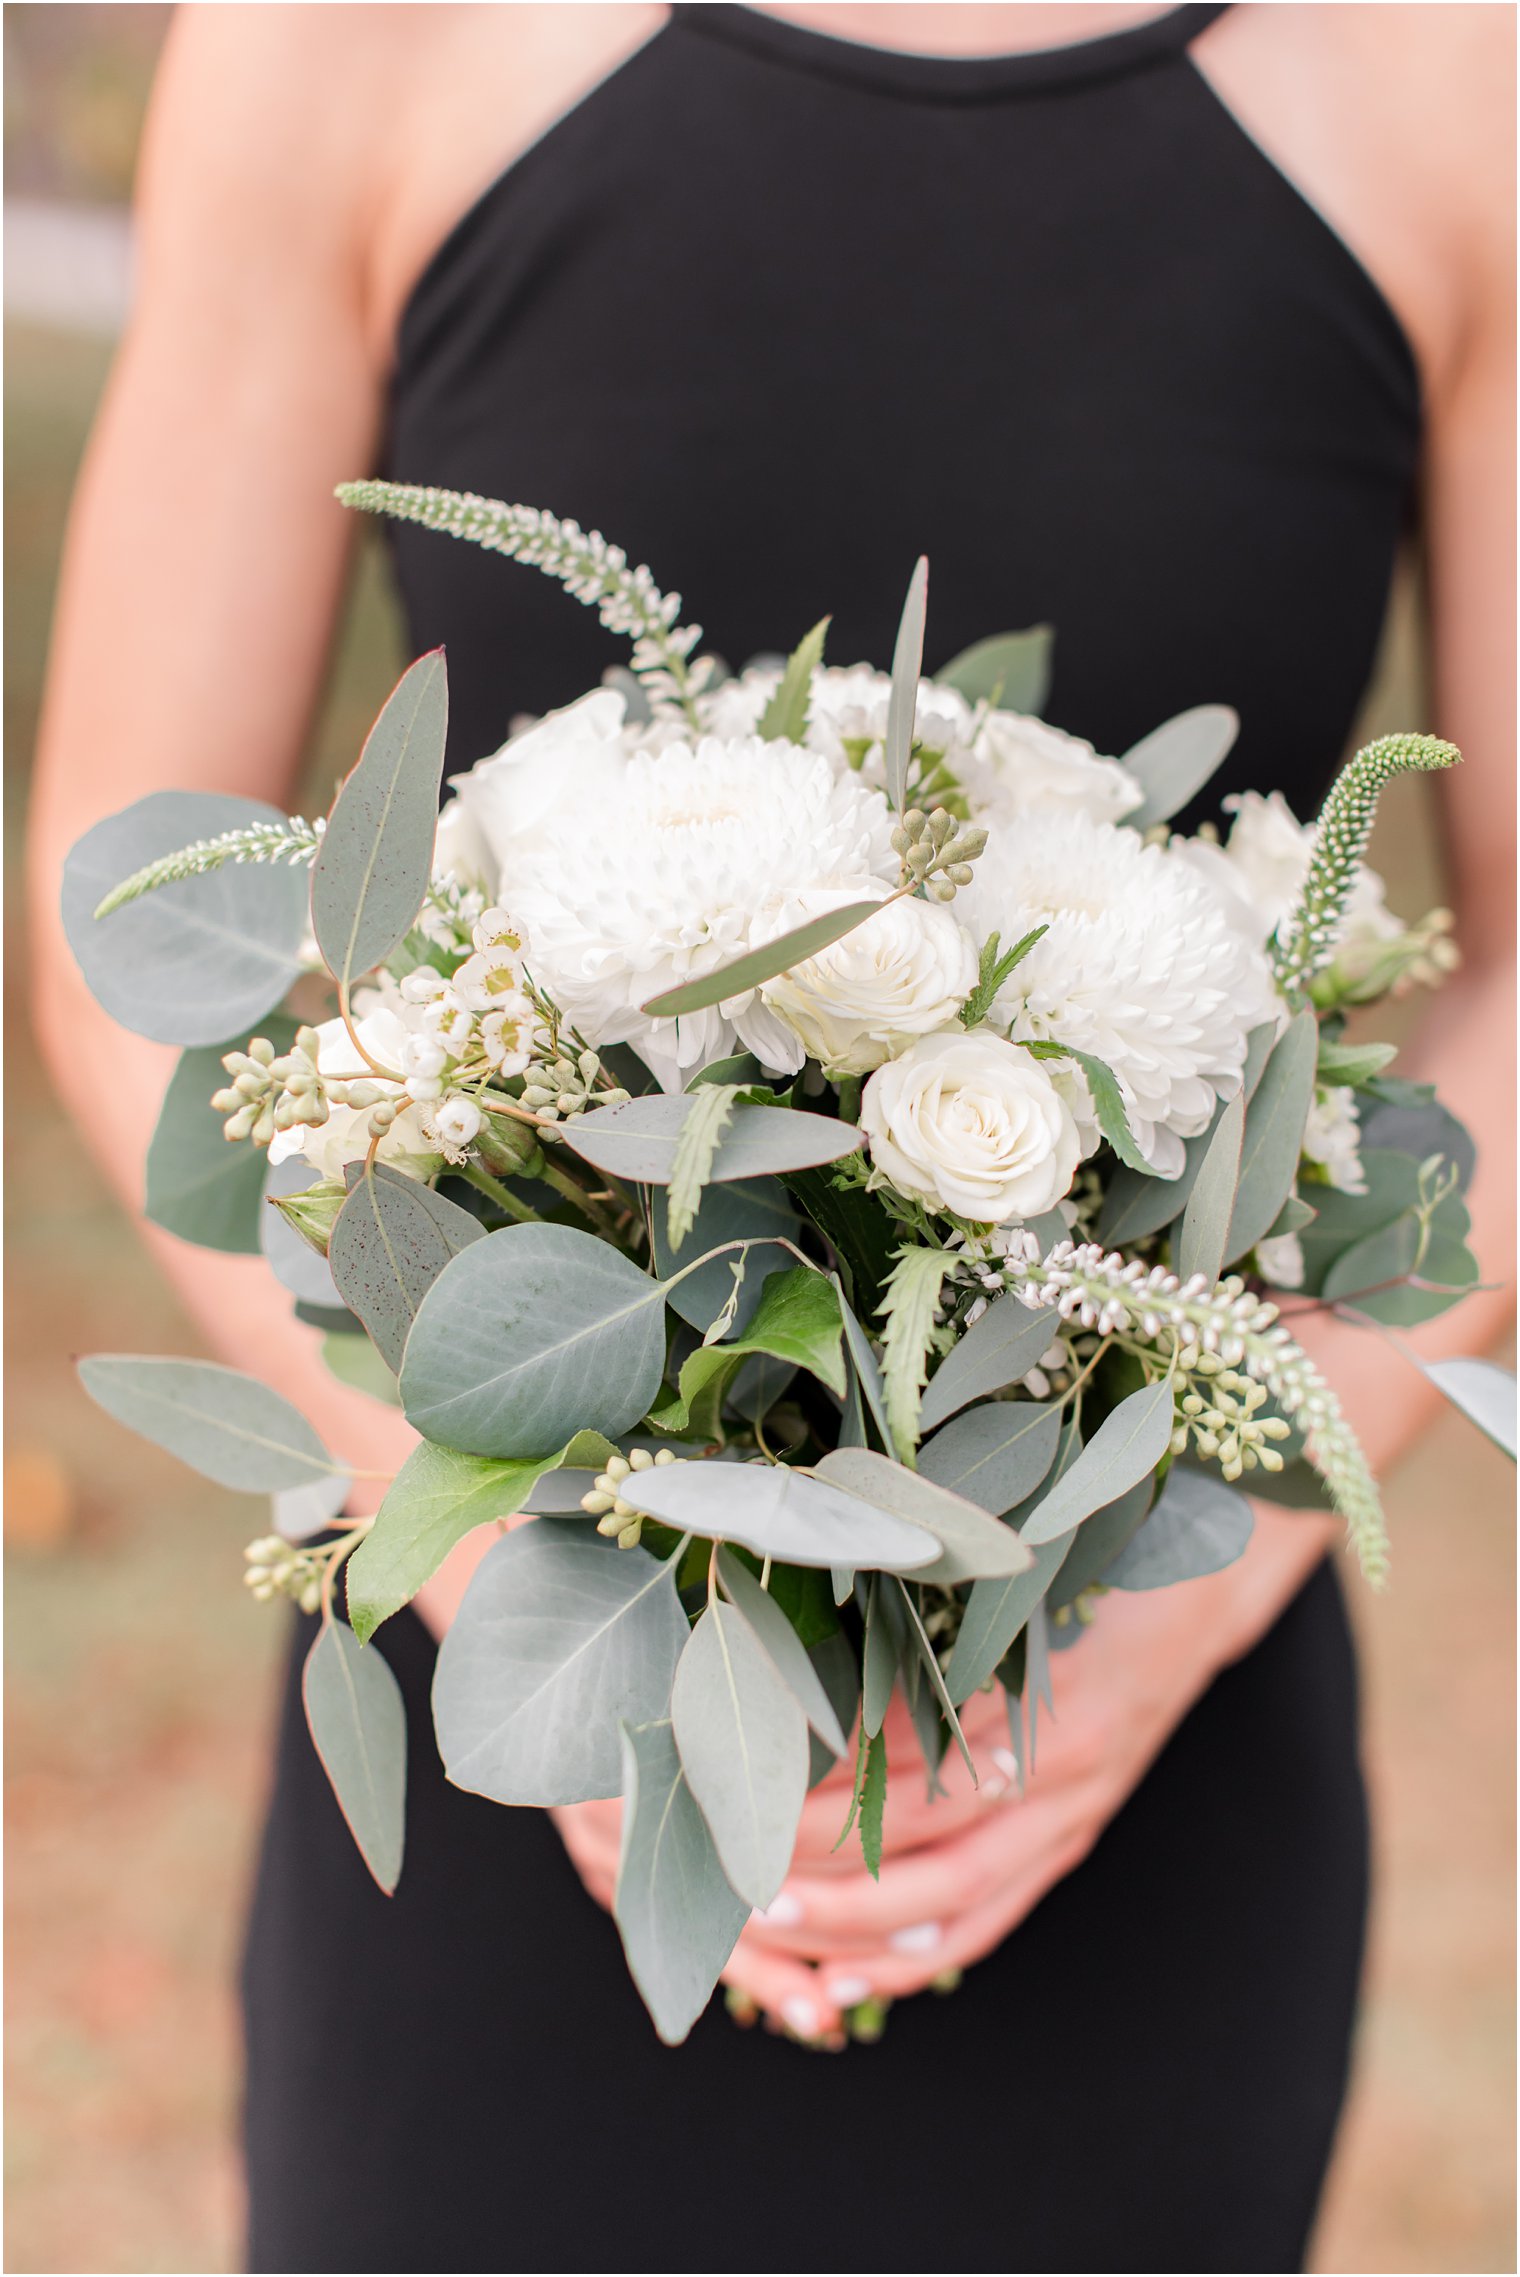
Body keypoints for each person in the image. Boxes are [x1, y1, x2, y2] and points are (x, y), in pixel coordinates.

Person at [28, 5, 1514, 2270]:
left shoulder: (1448, 68)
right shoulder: (341, 36)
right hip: (501, 1766)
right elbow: (121, 901)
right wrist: (502, 1557)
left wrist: (1160, 1607)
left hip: (1119, 1770)